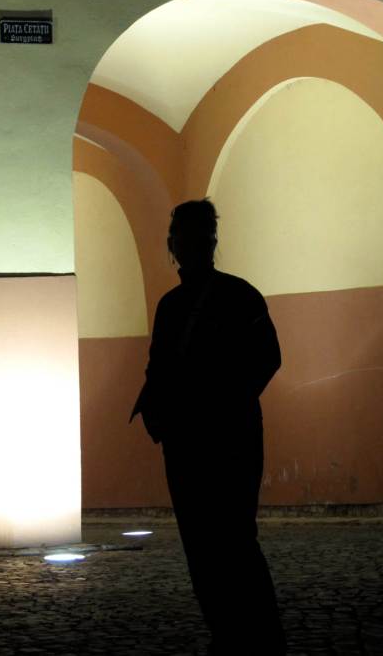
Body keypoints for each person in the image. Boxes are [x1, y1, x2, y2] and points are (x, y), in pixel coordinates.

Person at [131, 199, 285, 655]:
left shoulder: (194, 303)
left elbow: (265, 359)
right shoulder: (230, 297)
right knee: (217, 541)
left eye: (189, 235)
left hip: (210, 438)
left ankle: (245, 634)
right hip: (209, 437)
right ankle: (243, 634)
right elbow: (265, 358)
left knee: (220, 540)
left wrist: (211, 403)